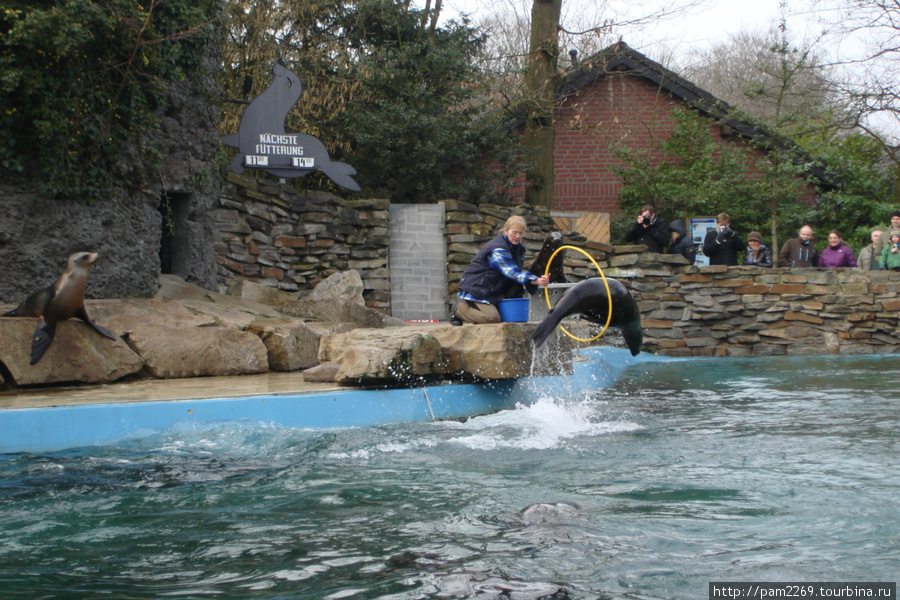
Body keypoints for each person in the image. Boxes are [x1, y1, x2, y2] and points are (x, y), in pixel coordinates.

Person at [452, 215, 550, 325]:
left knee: (508, 314)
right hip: (478, 289)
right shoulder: (497, 249)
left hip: (493, 289)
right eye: (514, 232)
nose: (517, 236)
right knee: (492, 318)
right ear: (506, 230)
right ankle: (459, 310)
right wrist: (536, 280)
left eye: (521, 233)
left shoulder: (517, 248)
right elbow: (512, 273)